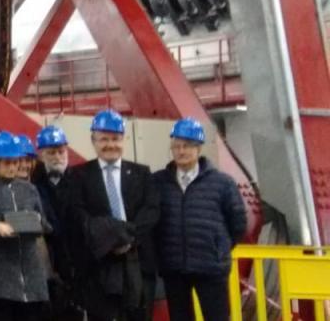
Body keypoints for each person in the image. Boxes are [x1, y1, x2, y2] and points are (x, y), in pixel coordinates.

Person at [64, 110, 159, 321]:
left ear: (123, 139)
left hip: (137, 261)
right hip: (100, 265)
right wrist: (109, 240)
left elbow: (151, 211)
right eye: (104, 139)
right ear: (93, 141)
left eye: (115, 139)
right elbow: (78, 215)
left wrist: (126, 237)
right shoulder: (79, 175)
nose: (110, 144)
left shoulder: (142, 173)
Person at [152, 118, 246, 321]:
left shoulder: (222, 183)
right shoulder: (158, 182)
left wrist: (218, 247)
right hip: (174, 268)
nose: (181, 151)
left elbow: (238, 224)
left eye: (186, 146)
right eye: (176, 146)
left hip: (211, 268)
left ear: (199, 147)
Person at [0, 132, 51, 321]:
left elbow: (46, 224)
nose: (13, 167)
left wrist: (38, 221)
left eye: (15, 162)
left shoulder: (30, 189)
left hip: (32, 276)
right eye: (7, 163)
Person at [29, 126, 82, 321]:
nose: (57, 157)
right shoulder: (31, 184)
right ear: (41, 155)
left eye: (61, 151)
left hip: (76, 265)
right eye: (51, 152)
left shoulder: (80, 180)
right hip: (46, 266)